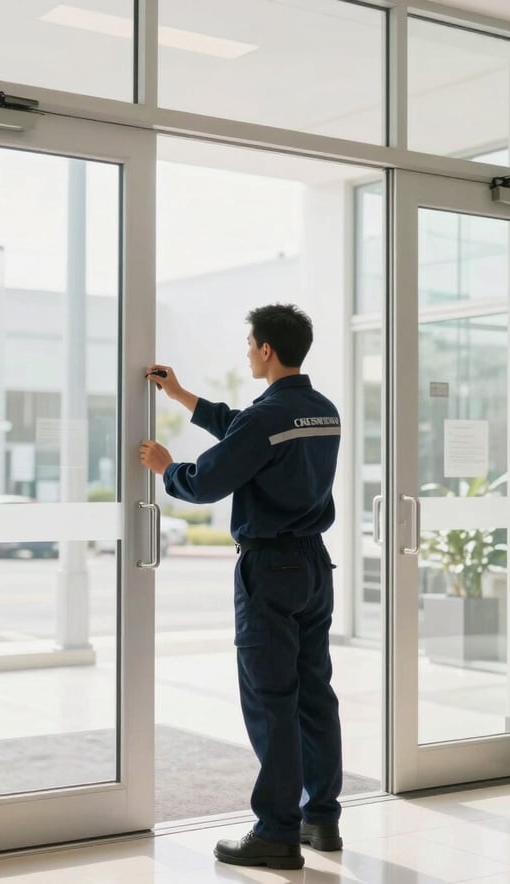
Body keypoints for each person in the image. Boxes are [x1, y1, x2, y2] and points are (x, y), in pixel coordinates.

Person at [140, 303, 343, 870]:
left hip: (269, 571)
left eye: (249, 344)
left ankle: (276, 832)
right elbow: (249, 431)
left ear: (266, 351)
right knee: (314, 696)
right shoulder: (323, 411)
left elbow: (208, 480)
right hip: (313, 567)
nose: (247, 352)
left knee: (272, 700)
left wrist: (166, 467)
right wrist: (184, 397)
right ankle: (321, 819)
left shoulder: (264, 419)